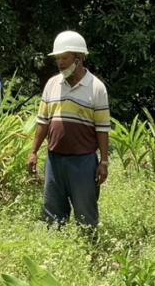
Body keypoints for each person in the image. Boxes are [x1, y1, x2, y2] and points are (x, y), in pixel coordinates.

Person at [28, 30, 111, 230]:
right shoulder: (52, 84)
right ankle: (55, 251)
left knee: (86, 215)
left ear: (79, 57)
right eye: (58, 58)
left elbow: (102, 128)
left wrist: (104, 161)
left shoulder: (96, 88)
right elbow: (43, 122)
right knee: (52, 215)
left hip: (83, 162)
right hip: (55, 160)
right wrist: (34, 151)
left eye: (65, 58)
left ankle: (90, 253)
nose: (60, 63)